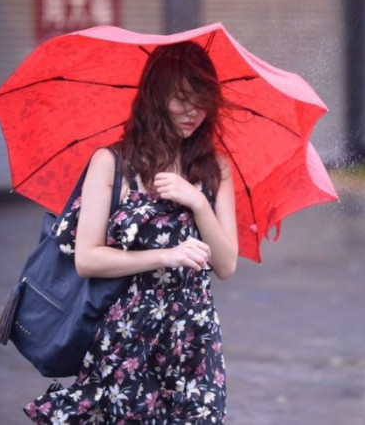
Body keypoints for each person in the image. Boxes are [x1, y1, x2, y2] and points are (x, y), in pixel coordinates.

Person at [24, 41, 239, 423]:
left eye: (203, 101)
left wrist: (198, 202)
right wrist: (165, 256)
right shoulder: (112, 164)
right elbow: (87, 259)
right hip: (129, 336)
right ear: (155, 98)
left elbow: (226, 265)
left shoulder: (215, 168)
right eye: (181, 99)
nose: (194, 113)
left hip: (195, 340)